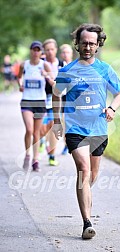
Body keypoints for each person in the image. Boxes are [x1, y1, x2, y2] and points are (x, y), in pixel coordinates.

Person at [52, 23, 120, 239]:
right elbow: (57, 95)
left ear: (98, 45)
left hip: (99, 129)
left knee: (91, 176)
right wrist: (57, 121)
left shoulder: (105, 69)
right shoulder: (67, 71)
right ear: (78, 44)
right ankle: (87, 223)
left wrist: (112, 108)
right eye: (84, 43)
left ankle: (84, 195)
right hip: (75, 128)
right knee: (83, 169)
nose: (88, 47)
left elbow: (119, 94)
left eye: (92, 43)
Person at [18, 40, 54, 172]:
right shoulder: (24, 65)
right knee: (29, 129)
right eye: (34, 49)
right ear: (31, 51)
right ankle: (28, 155)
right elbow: (19, 77)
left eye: (38, 50)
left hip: (40, 102)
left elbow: (53, 83)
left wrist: (46, 76)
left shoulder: (45, 66)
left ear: (41, 52)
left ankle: (35, 160)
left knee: (36, 132)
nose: (36, 52)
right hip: (27, 101)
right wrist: (20, 85)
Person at [40, 38, 64, 166]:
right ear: (44, 51)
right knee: (42, 129)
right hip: (41, 99)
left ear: (56, 50)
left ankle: (52, 155)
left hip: (56, 98)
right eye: (47, 50)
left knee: (54, 126)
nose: (49, 52)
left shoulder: (61, 64)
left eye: (52, 49)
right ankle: (42, 140)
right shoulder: (40, 64)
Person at [59, 44, 74, 155]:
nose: (65, 54)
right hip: (61, 97)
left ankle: (68, 144)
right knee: (63, 121)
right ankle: (66, 144)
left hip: (73, 97)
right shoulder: (58, 66)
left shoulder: (76, 66)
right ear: (61, 54)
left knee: (71, 121)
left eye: (67, 52)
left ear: (71, 54)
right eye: (63, 52)